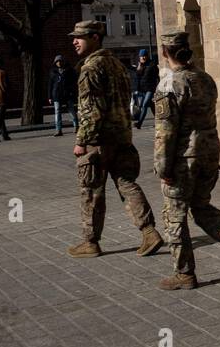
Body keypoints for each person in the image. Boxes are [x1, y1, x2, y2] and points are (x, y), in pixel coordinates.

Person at [153, 31, 220, 290]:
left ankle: (184, 273)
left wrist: (163, 167)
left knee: (174, 217)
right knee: (200, 206)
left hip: (183, 159)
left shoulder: (169, 85)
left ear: (165, 52)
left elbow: (165, 132)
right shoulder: (206, 79)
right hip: (209, 153)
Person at [65, 20, 164, 259]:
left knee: (91, 191)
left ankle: (90, 242)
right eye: (74, 37)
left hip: (98, 140)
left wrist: (81, 140)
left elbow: (91, 110)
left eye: (80, 37)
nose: (74, 41)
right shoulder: (117, 65)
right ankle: (149, 232)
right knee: (127, 184)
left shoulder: (91, 68)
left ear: (95, 38)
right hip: (121, 136)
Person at [47, 55, 78, 137]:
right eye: (57, 61)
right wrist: (50, 96)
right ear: (55, 63)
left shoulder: (69, 70)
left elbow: (74, 82)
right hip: (56, 94)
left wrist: (73, 92)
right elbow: (50, 84)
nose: (59, 63)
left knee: (71, 110)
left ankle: (76, 126)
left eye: (60, 61)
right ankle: (58, 129)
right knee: (57, 112)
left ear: (63, 61)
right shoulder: (53, 71)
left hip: (67, 94)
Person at [133, 50, 159, 128]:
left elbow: (156, 75)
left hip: (151, 88)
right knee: (152, 106)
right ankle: (159, 121)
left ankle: (139, 123)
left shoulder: (152, 64)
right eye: (141, 56)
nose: (143, 57)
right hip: (143, 89)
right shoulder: (141, 65)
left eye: (144, 56)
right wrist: (138, 68)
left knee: (144, 105)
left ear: (147, 56)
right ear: (139, 57)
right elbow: (138, 77)